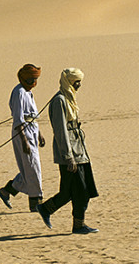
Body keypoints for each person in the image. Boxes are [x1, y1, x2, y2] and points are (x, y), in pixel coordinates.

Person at [36, 68, 98, 234]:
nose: (79, 85)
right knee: (80, 190)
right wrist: (69, 157)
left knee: (72, 191)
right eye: (76, 82)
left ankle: (48, 210)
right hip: (70, 154)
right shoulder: (59, 101)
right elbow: (61, 131)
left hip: (79, 151)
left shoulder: (69, 99)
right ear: (69, 82)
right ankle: (77, 225)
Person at [0, 64, 45, 212]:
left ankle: (8, 190)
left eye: (35, 80)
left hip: (31, 130)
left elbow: (32, 116)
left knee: (29, 168)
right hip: (23, 132)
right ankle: (35, 203)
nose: (33, 84)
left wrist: (39, 134)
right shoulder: (19, 92)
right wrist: (24, 139)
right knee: (32, 166)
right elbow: (18, 118)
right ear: (23, 79)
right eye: (30, 80)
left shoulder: (27, 92)